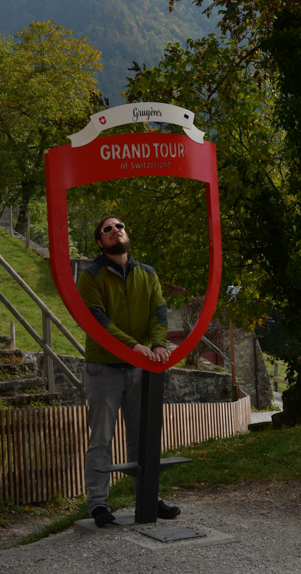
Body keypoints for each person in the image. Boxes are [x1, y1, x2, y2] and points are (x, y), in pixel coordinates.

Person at [77, 214, 181, 527]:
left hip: (140, 368)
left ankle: (148, 497)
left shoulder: (147, 274)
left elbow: (159, 313)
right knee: (102, 438)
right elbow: (98, 321)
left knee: (143, 438)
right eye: (107, 229)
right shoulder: (91, 275)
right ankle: (98, 505)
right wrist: (134, 346)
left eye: (120, 226)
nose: (115, 231)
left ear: (126, 233)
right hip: (104, 368)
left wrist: (159, 344)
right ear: (100, 241)